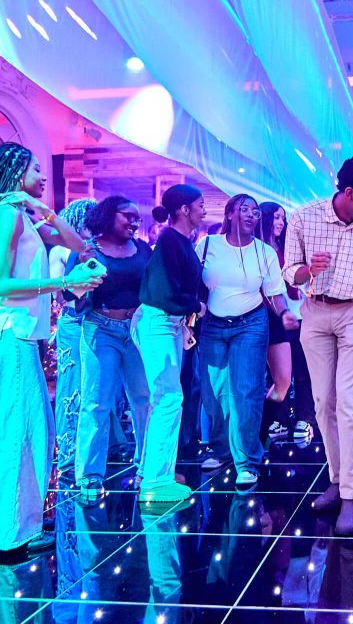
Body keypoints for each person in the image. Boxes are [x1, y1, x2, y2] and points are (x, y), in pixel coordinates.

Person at [0, 142, 103, 556]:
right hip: (7, 332)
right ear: (16, 172)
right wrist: (64, 283)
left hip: (18, 334)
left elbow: (79, 245)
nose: (42, 173)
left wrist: (45, 211)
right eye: (35, 167)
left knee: (37, 429)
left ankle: (24, 525)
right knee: (17, 432)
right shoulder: (6, 215)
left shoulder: (23, 215)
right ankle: (7, 535)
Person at [283, 156, 353, 536]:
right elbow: (291, 273)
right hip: (315, 313)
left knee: (348, 400)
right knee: (323, 402)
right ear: (349, 193)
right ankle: (337, 478)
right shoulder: (304, 218)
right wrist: (308, 270)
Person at [197, 194, 292, 489]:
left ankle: (248, 460)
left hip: (251, 324)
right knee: (214, 392)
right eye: (245, 209)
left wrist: (285, 313)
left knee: (246, 390)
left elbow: (274, 293)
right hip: (212, 325)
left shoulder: (264, 252)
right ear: (229, 214)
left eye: (255, 211)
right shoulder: (207, 245)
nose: (252, 215)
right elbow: (194, 283)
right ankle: (221, 450)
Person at [72, 196, 153, 503]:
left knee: (144, 400)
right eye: (128, 215)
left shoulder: (143, 250)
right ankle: (90, 474)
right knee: (96, 402)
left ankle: (147, 466)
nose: (134, 222)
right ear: (108, 215)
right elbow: (70, 295)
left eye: (137, 218)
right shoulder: (88, 250)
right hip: (100, 328)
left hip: (137, 330)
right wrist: (82, 273)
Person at [133, 184, 207, 508]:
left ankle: (153, 472)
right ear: (184, 210)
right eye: (200, 205)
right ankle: (155, 482)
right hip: (159, 323)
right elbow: (165, 293)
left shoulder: (178, 241)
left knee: (164, 399)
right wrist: (196, 306)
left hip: (169, 324)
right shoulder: (169, 241)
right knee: (168, 398)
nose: (204, 210)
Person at [258, 201, 314, 443]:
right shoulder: (257, 249)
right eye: (276, 217)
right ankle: (278, 419)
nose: (281, 222)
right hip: (269, 316)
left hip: (295, 313)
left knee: (302, 369)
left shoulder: (286, 247)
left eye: (282, 217)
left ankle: (304, 417)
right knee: (278, 375)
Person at [48, 198, 96, 477]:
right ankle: (68, 452)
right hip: (73, 320)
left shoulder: (97, 248)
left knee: (95, 387)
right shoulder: (60, 251)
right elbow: (58, 294)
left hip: (97, 320)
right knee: (71, 386)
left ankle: (93, 449)